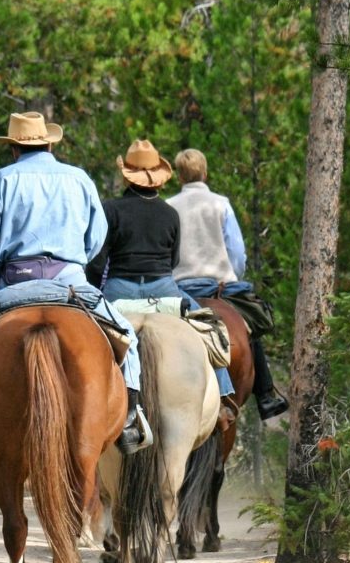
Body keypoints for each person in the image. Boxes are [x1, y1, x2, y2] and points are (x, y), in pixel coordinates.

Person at [0, 112, 148, 462]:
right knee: (127, 332)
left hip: (14, 285)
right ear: (50, 143)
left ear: (13, 149)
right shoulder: (78, 179)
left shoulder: (0, 181)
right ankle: (130, 419)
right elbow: (96, 239)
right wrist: (73, 263)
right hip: (70, 285)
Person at [86, 140, 238, 428]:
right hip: (162, 290)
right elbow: (173, 262)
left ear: (126, 175)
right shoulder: (170, 213)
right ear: (158, 176)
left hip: (119, 290)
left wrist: (94, 288)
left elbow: (97, 262)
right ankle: (224, 395)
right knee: (205, 325)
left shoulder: (112, 210)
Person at [166, 148, 289, 427]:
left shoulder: (169, 206)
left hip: (180, 288)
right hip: (220, 285)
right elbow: (236, 252)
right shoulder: (220, 204)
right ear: (205, 173)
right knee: (249, 327)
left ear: (179, 177)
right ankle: (266, 395)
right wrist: (233, 274)